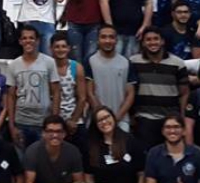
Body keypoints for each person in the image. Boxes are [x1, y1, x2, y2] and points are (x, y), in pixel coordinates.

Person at [130, 27, 188, 150]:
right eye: (148, 40)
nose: (152, 42)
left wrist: (182, 117)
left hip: (170, 119)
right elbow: (129, 92)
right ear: (143, 43)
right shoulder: (133, 62)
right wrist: (131, 116)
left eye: (156, 39)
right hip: (144, 118)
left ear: (162, 41)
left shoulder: (178, 63)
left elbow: (184, 93)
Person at [85, 106, 145, 183]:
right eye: (100, 120)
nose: (104, 122)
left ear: (113, 118)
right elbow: (89, 176)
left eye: (107, 117)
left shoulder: (130, 141)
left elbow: (141, 174)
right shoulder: (91, 146)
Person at [7, 25, 61, 150]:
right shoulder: (13, 65)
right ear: (20, 41)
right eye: (24, 38)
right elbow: (10, 96)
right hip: (21, 122)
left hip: (43, 123)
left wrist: (54, 122)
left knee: (42, 159)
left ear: (37, 41)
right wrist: (11, 126)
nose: (28, 41)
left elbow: (56, 92)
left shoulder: (49, 62)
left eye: (31, 38)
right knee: (21, 159)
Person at [24, 115, 85, 183]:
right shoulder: (32, 151)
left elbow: (79, 181)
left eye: (59, 131)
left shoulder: (73, 151)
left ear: (64, 134)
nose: (55, 135)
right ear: (43, 133)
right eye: (50, 131)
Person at [86, 24, 136, 133]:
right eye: (103, 37)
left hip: (121, 120)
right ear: (98, 40)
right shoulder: (90, 61)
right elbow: (90, 93)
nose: (107, 41)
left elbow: (130, 94)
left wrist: (116, 118)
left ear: (116, 40)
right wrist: (102, 117)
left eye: (111, 37)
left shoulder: (126, 62)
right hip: (97, 120)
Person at [52, 32, 89, 160]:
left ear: (68, 48)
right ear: (51, 49)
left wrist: (73, 120)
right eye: (57, 46)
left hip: (74, 118)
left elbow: (82, 97)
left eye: (63, 46)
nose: (60, 49)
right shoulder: (48, 67)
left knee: (79, 156)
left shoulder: (76, 67)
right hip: (55, 118)